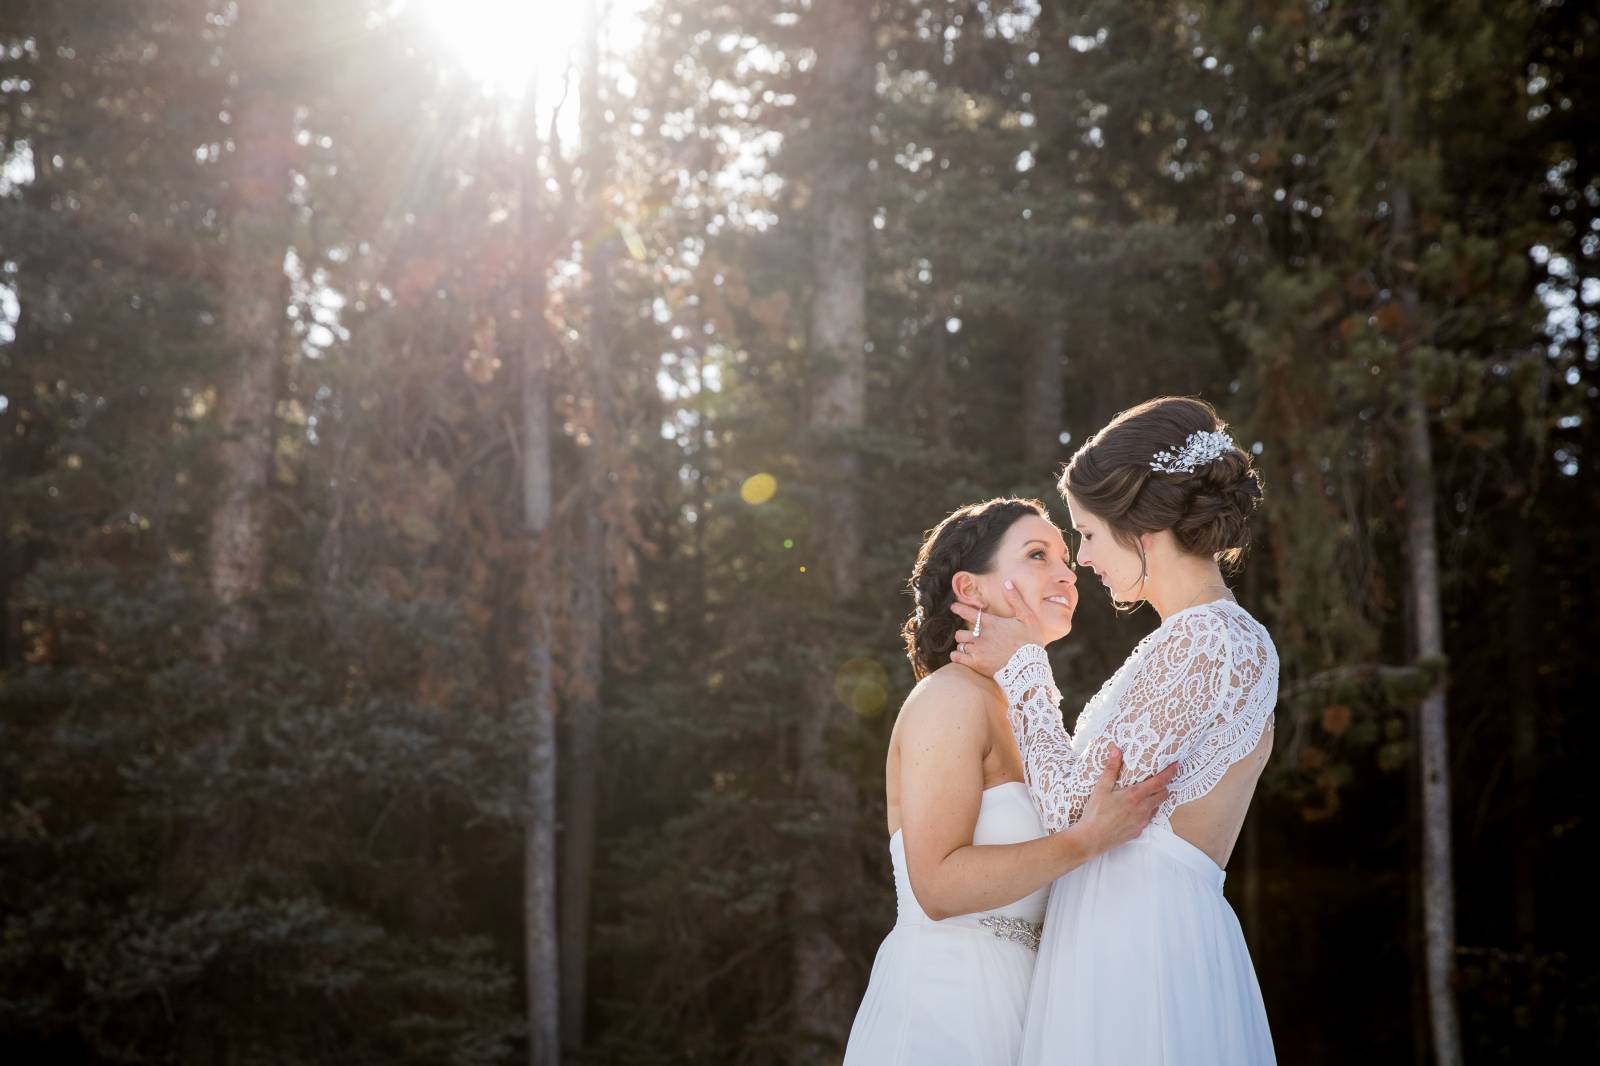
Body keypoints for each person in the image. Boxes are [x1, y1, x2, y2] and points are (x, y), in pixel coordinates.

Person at [951, 398, 1279, 1066]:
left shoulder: (1213, 640)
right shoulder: (1183, 642)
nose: (1083, 558)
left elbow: (1072, 808)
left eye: (1090, 535)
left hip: (1142, 948)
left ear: (1142, 530)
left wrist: (1022, 668)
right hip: (1113, 933)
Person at [844, 497, 1178, 1066]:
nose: (1067, 572)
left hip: (1037, 1006)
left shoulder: (1025, 715)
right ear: (970, 590)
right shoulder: (948, 698)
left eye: (1067, 558)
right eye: (1037, 554)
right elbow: (939, 887)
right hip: (949, 1007)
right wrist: (1088, 839)